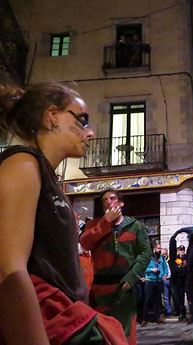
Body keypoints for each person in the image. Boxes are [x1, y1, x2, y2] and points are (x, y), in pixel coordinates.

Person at [0, 82, 128, 344]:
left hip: (68, 322)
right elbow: (8, 270)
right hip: (51, 326)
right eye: (81, 119)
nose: (90, 132)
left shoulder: (41, 172)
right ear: (52, 116)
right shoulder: (22, 164)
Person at [80, 189, 151, 345]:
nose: (108, 202)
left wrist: (132, 278)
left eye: (112, 198)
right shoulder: (94, 225)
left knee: (125, 335)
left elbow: (145, 253)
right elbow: (85, 243)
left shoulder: (134, 226)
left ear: (120, 203)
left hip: (124, 287)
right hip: (100, 289)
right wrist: (105, 222)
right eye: (104, 200)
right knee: (103, 333)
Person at [142, 243, 168, 326]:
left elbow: (165, 267)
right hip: (150, 281)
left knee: (158, 300)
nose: (160, 250)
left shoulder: (162, 258)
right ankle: (144, 318)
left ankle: (158, 317)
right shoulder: (149, 258)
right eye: (158, 248)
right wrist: (151, 269)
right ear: (154, 249)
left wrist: (165, 274)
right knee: (147, 300)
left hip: (159, 280)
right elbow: (144, 268)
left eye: (160, 249)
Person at [171, 244, 188, 321]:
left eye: (183, 250)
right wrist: (182, 269)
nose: (182, 251)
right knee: (179, 297)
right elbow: (174, 269)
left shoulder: (187, 258)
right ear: (178, 251)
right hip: (177, 281)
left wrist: (181, 269)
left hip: (185, 280)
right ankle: (182, 313)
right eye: (181, 250)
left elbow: (187, 269)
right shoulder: (175, 258)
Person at [161, 248, 173, 316]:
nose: (164, 255)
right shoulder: (160, 261)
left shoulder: (170, 260)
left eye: (165, 254)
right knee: (166, 297)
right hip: (164, 281)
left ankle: (177, 310)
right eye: (163, 254)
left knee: (174, 296)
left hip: (171, 280)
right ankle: (169, 310)